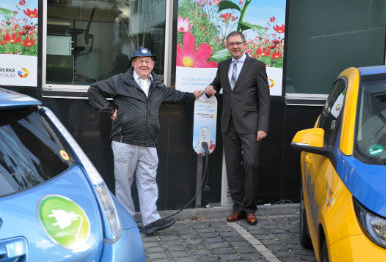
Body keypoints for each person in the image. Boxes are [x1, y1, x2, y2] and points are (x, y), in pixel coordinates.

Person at [88, 47, 203, 235]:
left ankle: (151, 221)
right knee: (124, 183)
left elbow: (176, 96)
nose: (144, 64)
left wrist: (193, 95)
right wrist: (109, 110)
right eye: (140, 61)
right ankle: (127, 223)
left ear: (153, 65)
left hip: (149, 142)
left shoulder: (157, 85)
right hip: (124, 141)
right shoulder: (120, 81)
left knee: (148, 181)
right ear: (133, 63)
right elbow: (94, 91)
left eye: (148, 61)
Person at [205, 31, 270, 225]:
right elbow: (216, 85)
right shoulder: (223, 65)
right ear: (227, 46)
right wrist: (209, 89)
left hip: (251, 124)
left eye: (238, 43)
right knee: (233, 167)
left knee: (250, 164)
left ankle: (250, 208)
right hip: (228, 123)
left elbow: (264, 99)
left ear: (244, 44)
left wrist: (262, 126)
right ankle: (239, 207)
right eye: (231, 44)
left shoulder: (257, 66)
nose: (235, 46)